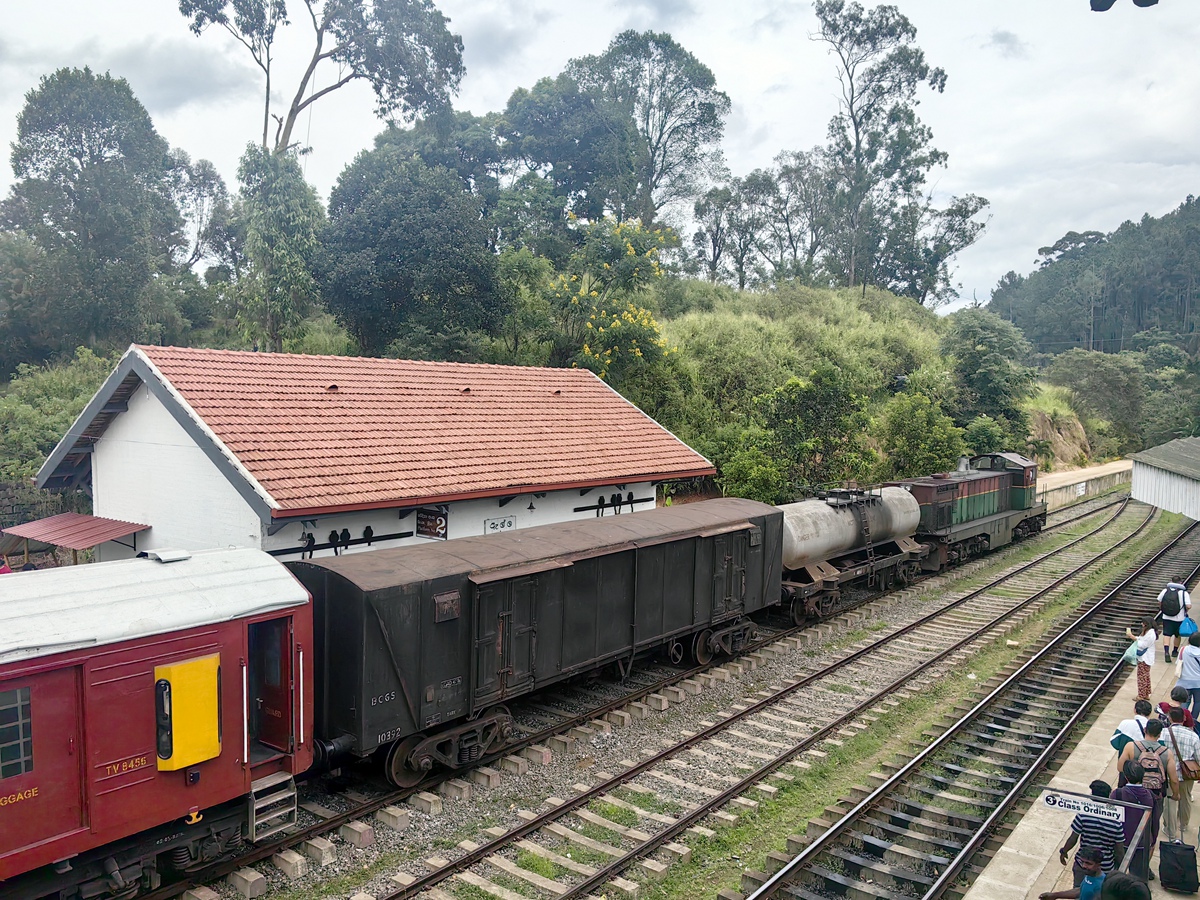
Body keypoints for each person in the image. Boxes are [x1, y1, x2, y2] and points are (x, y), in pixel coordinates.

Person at [1057, 780, 1125, 886]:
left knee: (1078, 890)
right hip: (1105, 866)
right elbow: (1119, 850)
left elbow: (1073, 838)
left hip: (1083, 864)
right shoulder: (1116, 820)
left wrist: (1064, 851)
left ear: (1093, 796)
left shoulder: (1083, 814)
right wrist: (1121, 868)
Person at [1116, 719, 1165, 836]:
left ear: (1144, 730)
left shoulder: (1131, 746)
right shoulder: (1165, 751)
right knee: (1151, 825)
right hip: (1154, 792)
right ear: (1159, 734)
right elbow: (1171, 778)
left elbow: (1120, 767)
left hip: (1130, 791)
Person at [1111, 761, 1156, 881]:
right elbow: (1155, 821)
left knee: (1116, 876)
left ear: (1125, 776)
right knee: (1138, 879)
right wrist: (1152, 840)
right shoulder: (1150, 795)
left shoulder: (1118, 793)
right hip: (1142, 842)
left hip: (1120, 841)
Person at [1162, 706, 1200, 842]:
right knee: (1186, 798)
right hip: (1187, 775)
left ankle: (1170, 830)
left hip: (1168, 774)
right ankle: (1183, 825)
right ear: (1184, 719)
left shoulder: (1163, 733)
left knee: (1170, 802)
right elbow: (1199, 757)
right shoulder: (1193, 736)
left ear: (1170, 718)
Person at [1040, 847, 1106, 899]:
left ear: (1098, 865)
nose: (1084, 866)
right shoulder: (1090, 874)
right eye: (1082, 862)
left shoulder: (1102, 885)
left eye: (1088, 863)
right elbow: (1080, 890)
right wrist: (1055, 895)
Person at [1159, 579, 1193, 661]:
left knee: (1167, 635)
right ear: (1180, 582)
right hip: (1179, 618)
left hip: (1166, 617)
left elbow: (1159, 601)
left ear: (1171, 581)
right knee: (1177, 635)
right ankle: (1174, 651)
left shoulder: (1165, 591)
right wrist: (1185, 610)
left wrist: (1163, 609)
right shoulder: (1184, 593)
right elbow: (1188, 606)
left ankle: (1166, 652)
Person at [1126, 619, 1157, 701]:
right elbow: (1140, 639)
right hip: (1144, 657)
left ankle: (1141, 695)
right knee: (1145, 676)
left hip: (1145, 658)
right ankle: (1146, 693)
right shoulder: (1147, 632)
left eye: (1143, 623)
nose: (1141, 624)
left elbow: (1143, 644)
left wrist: (1133, 638)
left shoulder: (1151, 634)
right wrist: (1134, 637)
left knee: (1142, 677)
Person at [1176, 632, 1200, 721]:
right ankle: (1193, 720)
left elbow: (1178, 663)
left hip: (1184, 681)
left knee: (1184, 701)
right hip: (1198, 683)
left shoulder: (1183, 649)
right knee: (1198, 702)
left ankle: (1182, 719)